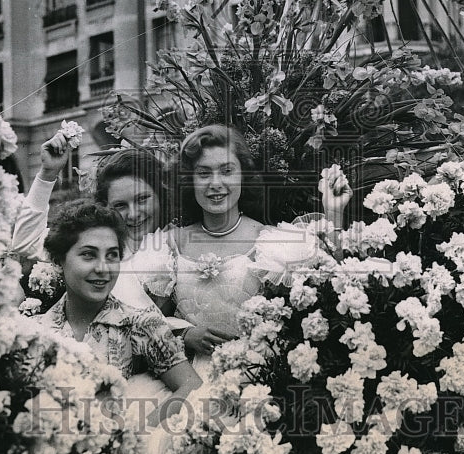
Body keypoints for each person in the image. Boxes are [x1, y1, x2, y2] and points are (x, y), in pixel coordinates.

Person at [145, 124, 352, 376]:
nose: (215, 183)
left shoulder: (269, 241)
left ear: (242, 174)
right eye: (203, 173)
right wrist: (183, 332)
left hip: (256, 376)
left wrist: (333, 212)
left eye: (227, 171)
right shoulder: (170, 244)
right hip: (186, 376)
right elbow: (143, 319)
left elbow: (330, 284)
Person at [34, 199, 201, 426]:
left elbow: (192, 385)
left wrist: (139, 429)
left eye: (112, 255)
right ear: (60, 259)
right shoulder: (36, 330)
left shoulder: (141, 323)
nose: (103, 268)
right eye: (88, 255)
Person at [9, 130, 179, 317]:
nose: (133, 214)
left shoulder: (180, 241)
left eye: (142, 199)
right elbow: (25, 242)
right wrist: (47, 174)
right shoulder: (93, 242)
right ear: (106, 206)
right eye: (120, 205)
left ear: (159, 195)